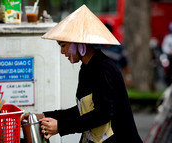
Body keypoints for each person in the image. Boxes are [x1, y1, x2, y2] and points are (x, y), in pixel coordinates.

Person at [21, 5, 142, 143]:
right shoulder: (86, 68)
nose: (62, 52)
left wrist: (60, 127)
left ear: (78, 43)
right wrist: (43, 116)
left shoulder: (104, 68)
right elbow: (81, 110)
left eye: (63, 45)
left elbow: (102, 114)